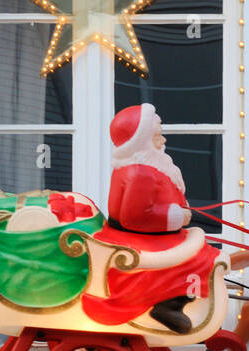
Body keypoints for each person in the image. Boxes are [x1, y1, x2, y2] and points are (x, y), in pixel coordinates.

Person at [80, 104, 221, 333]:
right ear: (142, 140)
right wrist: (176, 215)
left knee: (199, 249)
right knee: (197, 258)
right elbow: (134, 217)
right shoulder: (140, 172)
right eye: (157, 136)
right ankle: (167, 306)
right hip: (136, 238)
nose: (162, 139)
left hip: (146, 234)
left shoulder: (147, 167)